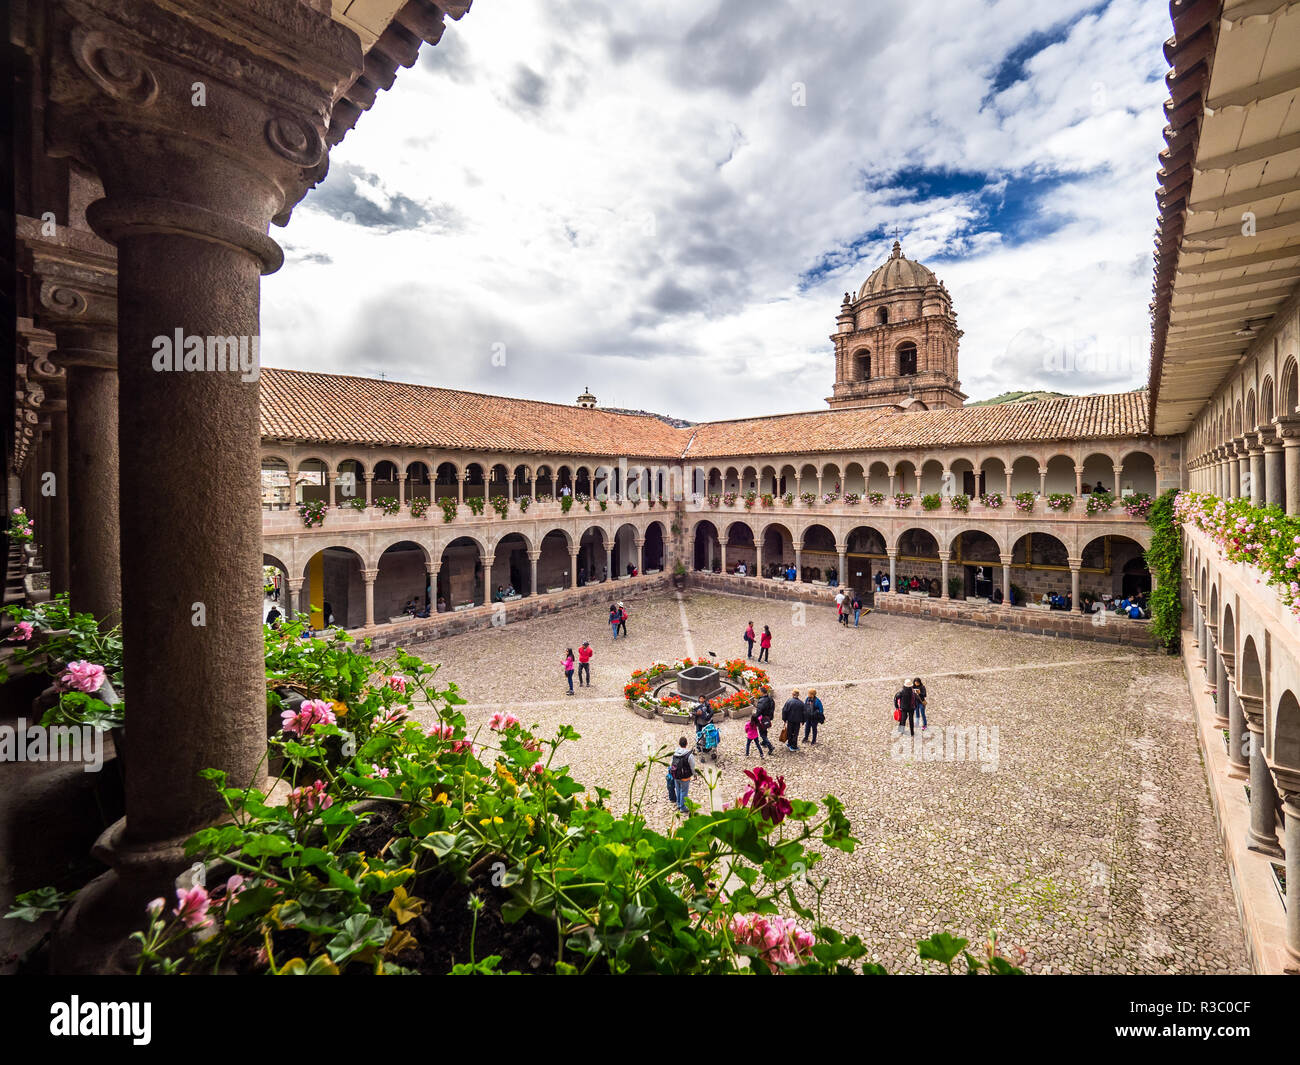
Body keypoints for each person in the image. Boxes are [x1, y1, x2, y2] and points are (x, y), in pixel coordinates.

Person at [670, 737, 696, 813]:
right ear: (686, 744)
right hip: (685, 776)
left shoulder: (674, 753)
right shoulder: (689, 755)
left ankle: (678, 803)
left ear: (679, 744)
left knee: (678, 790)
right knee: (684, 791)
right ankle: (683, 807)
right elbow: (692, 766)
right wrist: (695, 774)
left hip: (676, 775)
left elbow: (672, 763)